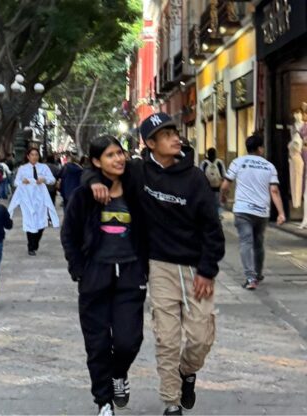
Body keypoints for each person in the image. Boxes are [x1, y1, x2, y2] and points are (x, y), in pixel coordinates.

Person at [86, 112, 224, 415]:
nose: (176, 138)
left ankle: (187, 373)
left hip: (195, 269)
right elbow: (103, 168)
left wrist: (207, 270)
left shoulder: (195, 178)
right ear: (150, 143)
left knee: (201, 338)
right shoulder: (139, 172)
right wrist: (95, 179)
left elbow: (212, 229)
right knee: (167, 339)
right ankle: (171, 402)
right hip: (159, 266)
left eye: (175, 132)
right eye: (166, 135)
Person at [61, 136, 148, 416]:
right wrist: (79, 270)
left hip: (131, 274)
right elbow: (69, 234)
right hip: (95, 276)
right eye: (110, 155)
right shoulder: (85, 196)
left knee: (128, 340)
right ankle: (104, 401)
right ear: (97, 162)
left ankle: (119, 373)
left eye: (120, 153)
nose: (118, 159)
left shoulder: (135, 188)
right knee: (97, 344)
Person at [220, 135, 286, 290]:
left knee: (245, 242)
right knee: (258, 243)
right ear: (260, 148)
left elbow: (224, 186)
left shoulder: (237, 162)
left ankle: (250, 278)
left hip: (242, 210)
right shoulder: (269, 166)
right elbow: (274, 191)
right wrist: (281, 213)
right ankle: (258, 273)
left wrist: (223, 197)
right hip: (262, 212)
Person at [8, 148, 59, 256]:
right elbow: (15, 182)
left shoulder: (44, 167)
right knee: (29, 221)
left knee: (41, 221)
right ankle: (31, 246)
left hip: (41, 197)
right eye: (32, 154)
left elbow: (53, 180)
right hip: (28, 198)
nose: (34, 157)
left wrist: (44, 179)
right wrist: (23, 181)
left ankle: (35, 243)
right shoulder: (22, 168)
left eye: (36, 154)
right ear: (28, 156)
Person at [199, 148, 226, 217]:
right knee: (218, 203)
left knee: (208, 203)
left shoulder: (204, 163)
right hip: (218, 187)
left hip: (207, 188)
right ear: (215, 154)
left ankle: (209, 215)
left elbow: (200, 175)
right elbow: (224, 175)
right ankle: (217, 216)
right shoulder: (219, 162)